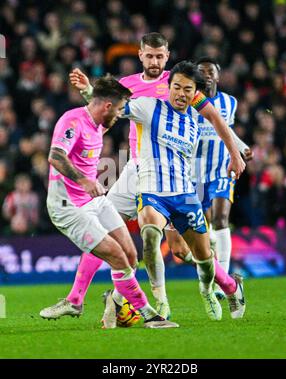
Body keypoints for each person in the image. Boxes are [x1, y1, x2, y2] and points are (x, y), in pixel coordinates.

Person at [39, 74, 179, 329]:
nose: (119, 116)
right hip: (67, 206)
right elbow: (55, 156)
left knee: (130, 254)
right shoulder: (72, 121)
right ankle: (149, 315)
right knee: (116, 255)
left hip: (93, 201)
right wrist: (84, 180)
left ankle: (75, 301)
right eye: (118, 110)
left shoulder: (97, 122)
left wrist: (88, 91)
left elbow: (101, 108)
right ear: (106, 106)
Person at [119, 61, 246, 321]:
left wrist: (236, 153)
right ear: (168, 87)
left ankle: (210, 289)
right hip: (152, 190)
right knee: (150, 236)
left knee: (196, 255)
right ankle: (161, 303)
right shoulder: (149, 106)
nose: (180, 93)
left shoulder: (197, 114)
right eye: (176, 87)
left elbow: (218, 120)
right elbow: (117, 107)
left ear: (195, 93)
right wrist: (90, 93)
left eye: (187, 89)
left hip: (185, 192)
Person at [165, 57, 253, 299]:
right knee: (200, 230)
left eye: (210, 71)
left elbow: (227, 129)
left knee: (222, 218)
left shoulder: (229, 102)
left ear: (217, 75)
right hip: (192, 174)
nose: (206, 75)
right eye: (201, 71)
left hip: (221, 170)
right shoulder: (190, 100)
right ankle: (215, 271)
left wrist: (241, 148)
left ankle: (223, 279)